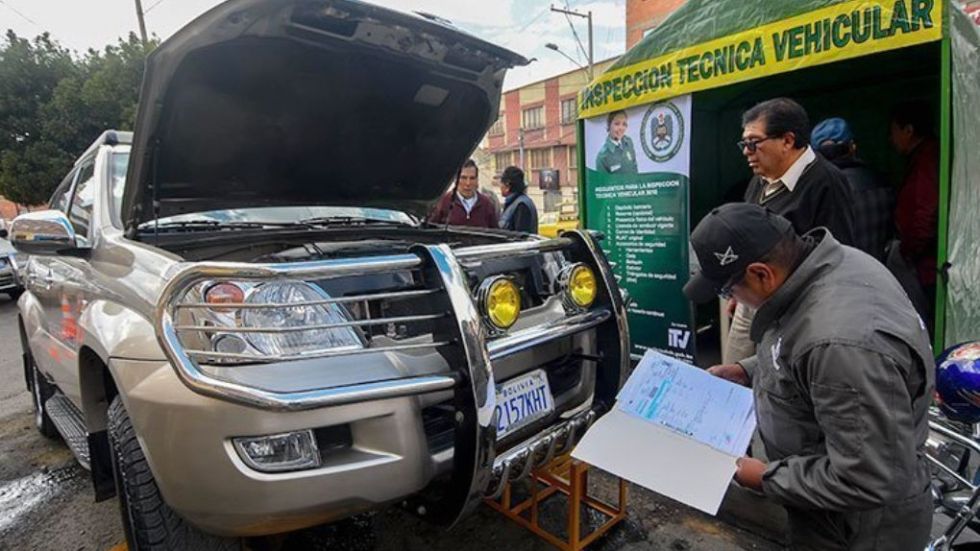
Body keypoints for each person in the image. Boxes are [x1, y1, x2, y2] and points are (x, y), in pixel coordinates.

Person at [684, 203, 934, 551]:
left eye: (729, 290)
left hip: (856, 530)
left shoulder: (841, 344)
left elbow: (870, 477)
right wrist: (748, 370)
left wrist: (762, 477)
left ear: (761, 274)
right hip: (829, 509)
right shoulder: (834, 265)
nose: (731, 301)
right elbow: (798, 347)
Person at [725, 98, 856, 365]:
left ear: (787, 140)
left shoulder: (827, 182)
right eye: (744, 144)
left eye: (754, 143)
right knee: (733, 371)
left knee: (776, 376)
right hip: (751, 299)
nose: (747, 152)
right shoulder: (759, 180)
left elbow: (836, 257)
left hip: (796, 310)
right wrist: (739, 291)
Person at [811, 117, 895, 262]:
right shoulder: (881, 182)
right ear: (852, 147)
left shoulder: (818, 193)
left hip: (840, 272)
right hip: (879, 270)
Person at [889, 100, 940, 323]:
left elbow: (925, 212)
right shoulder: (922, 158)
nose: (891, 139)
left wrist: (909, 250)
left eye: (894, 131)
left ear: (908, 130)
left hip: (925, 267)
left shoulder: (926, 161)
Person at [427, 159, 499, 228]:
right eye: (463, 178)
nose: (468, 183)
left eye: (472, 178)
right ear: (456, 180)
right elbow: (430, 230)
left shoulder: (487, 204)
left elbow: (495, 232)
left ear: (477, 180)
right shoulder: (443, 202)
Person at [595, 110, 638, 174]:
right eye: (617, 124)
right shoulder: (602, 157)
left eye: (624, 124)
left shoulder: (629, 142)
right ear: (609, 125)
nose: (621, 128)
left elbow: (635, 167)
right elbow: (602, 180)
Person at [498, 166, 538, 234]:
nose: (500, 186)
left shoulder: (521, 205)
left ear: (507, 186)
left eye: (501, 183)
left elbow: (520, 236)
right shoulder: (514, 203)